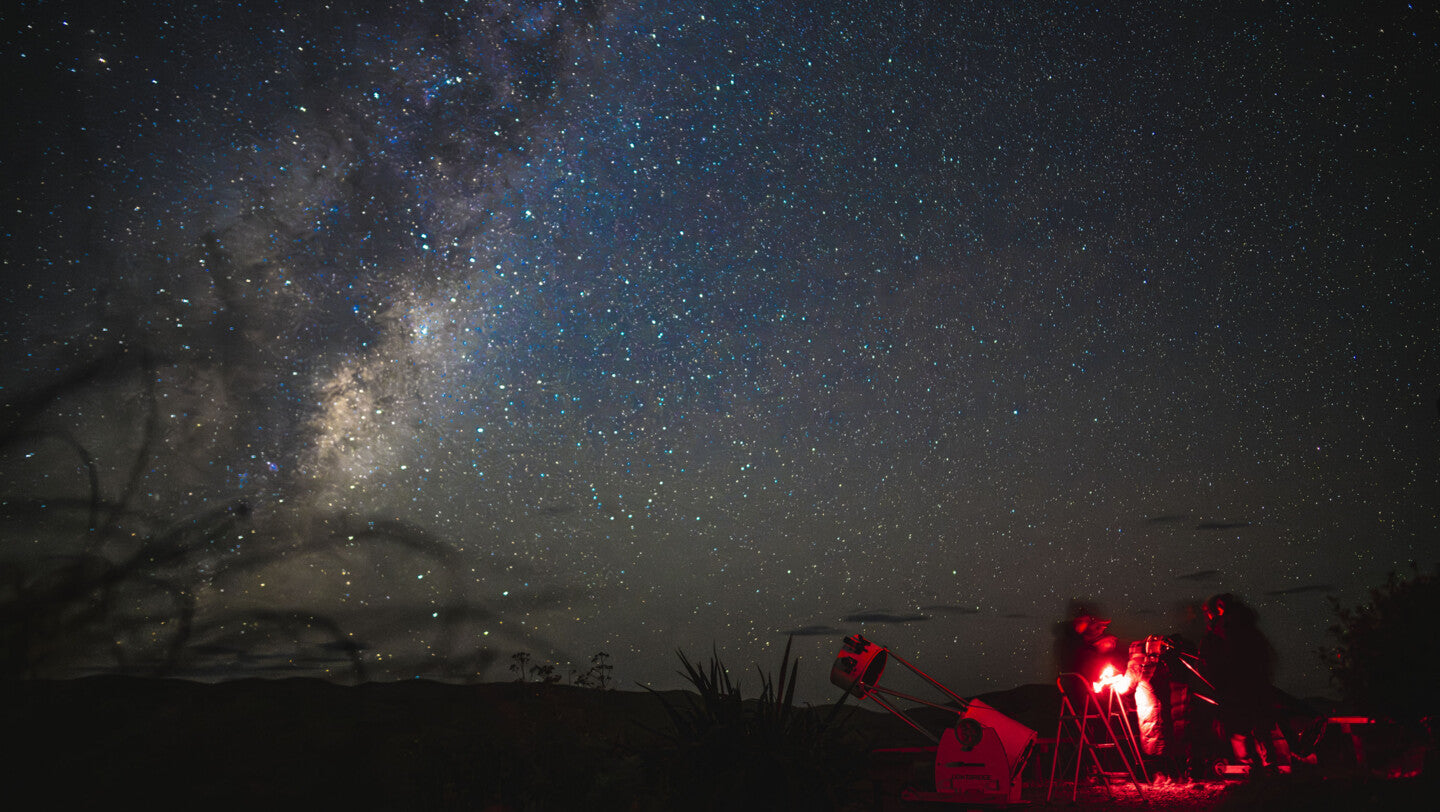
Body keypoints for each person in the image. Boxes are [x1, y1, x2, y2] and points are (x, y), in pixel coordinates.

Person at [1199, 593, 1292, 774]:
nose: (1209, 617)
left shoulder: (1227, 625)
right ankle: (1268, 764)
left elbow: (1222, 656)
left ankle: (1251, 766)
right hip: (1254, 680)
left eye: (1210, 613)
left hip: (1238, 682)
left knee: (1241, 726)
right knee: (1259, 724)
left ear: (1219, 607)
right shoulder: (1245, 623)